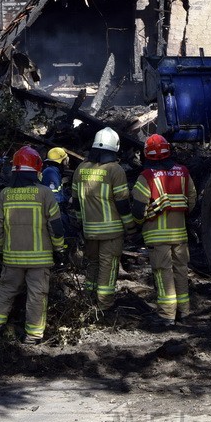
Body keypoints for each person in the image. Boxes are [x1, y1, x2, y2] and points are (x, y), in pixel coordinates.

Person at [0, 146, 65, 343]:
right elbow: (56, 227)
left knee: (5, 290)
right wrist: (60, 249)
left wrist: (0, 247)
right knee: (37, 295)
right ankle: (33, 335)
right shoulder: (45, 193)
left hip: (12, 258)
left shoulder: (4, 194)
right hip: (40, 259)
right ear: (37, 169)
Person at [131, 134, 197, 329]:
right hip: (180, 234)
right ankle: (184, 313)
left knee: (163, 274)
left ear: (147, 155)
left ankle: (166, 315)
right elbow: (192, 199)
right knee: (181, 272)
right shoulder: (183, 172)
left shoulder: (147, 177)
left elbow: (138, 208)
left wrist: (138, 222)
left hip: (157, 237)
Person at [71, 127, 135, 311]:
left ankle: (88, 300)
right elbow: (123, 204)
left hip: (89, 230)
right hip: (112, 231)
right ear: (114, 147)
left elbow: (75, 201)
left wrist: (80, 222)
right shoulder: (115, 170)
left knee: (92, 264)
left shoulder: (80, 169)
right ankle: (104, 306)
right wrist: (130, 227)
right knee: (108, 266)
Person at [40, 147, 75, 239]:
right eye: (65, 160)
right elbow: (54, 196)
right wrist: (69, 200)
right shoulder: (50, 173)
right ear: (61, 161)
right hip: (55, 210)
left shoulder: (53, 171)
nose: (67, 163)